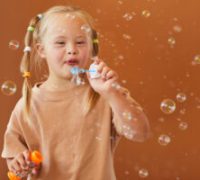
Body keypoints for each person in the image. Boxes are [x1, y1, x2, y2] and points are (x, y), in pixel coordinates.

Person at [1, 5, 151, 180]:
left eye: (80, 42)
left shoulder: (105, 94)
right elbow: (14, 159)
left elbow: (140, 133)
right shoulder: (28, 104)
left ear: (91, 48)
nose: (72, 49)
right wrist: (20, 163)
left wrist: (111, 92)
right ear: (41, 50)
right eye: (60, 43)